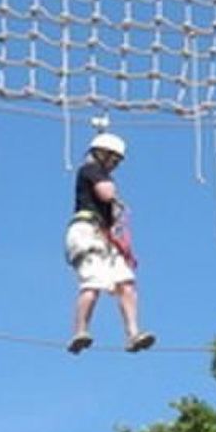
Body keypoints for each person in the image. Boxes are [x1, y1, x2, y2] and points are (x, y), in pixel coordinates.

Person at [65, 130, 152, 353]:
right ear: (102, 154)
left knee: (126, 283)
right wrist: (112, 193)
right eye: (113, 159)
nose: (115, 165)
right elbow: (105, 193)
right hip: (87, 232)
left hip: (105, 236)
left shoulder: (98, 171)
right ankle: (80, 331)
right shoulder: (91, 170)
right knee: (93, 283)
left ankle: (133, 333)